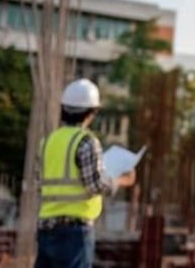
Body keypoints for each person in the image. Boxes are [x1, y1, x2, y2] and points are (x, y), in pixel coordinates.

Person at [36, 79, 135, 268]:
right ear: (91, 113)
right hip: (74, 232)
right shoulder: (86, 142)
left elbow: (40, 184)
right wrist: (121, 180)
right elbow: (96, 185)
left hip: (46, 229)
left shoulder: (47, 142)